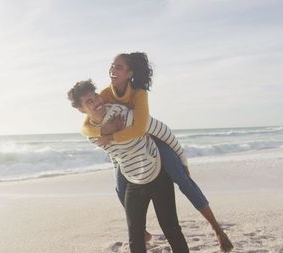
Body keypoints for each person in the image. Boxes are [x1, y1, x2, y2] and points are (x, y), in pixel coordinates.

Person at [80, 52, 233, 252]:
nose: (112, 70)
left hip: (150, 139)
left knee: (182, 178)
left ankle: (217, 229)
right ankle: (139, 231)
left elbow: (144, 128)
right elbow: (86, 126)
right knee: (120, 189)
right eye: (112, 65)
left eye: (118, 67)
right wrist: (104, 132)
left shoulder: (139, 93)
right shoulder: (105, 95)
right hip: (126, 150)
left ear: (130, 73)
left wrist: (182, 159)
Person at [68, 80, 190, 253]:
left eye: (95, 96)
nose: (97, 102)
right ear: (81, 109)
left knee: (171, 229)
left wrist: (183, 162)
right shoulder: (92, 135)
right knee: (135, 237)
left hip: (158, 175)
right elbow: (115, 155)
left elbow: (162, 130)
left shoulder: (121, 113)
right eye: (89, 102)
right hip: (133, 181)